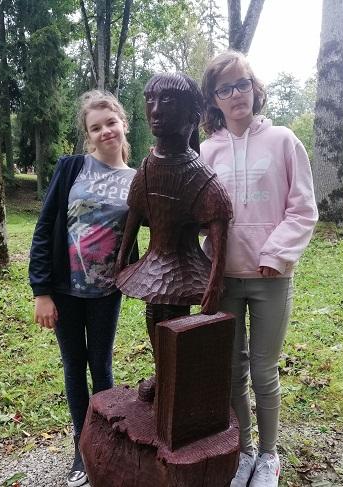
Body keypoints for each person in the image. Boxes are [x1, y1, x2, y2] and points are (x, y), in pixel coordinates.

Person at [200, 51, 318, 487]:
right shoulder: (206, 151)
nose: (236, 94)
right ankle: (244, 451)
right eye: (225, 88)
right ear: (214, 99)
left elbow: (303, 208)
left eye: (243, 83)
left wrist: (276, 254)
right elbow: (200, 216)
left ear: (255, 87)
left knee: (264, 371)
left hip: (272, 277)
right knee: (232, 371)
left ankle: (269, 455)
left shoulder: (284, 141)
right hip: (225, 278)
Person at [29, 90, 137, 487]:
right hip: (65, 290)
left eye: (110, 123)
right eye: (95, 127)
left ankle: (104, 440)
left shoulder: (137, 180)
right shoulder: (72, 168)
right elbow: (45, 228)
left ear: (123, 124)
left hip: (107, 292)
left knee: (101, 366)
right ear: (88, 135)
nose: (105, 131)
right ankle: (82, 446)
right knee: (74, 365)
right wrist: (41, 291)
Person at [114, 73, 232, 399]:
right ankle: (163, 373)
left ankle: (176, 380)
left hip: (184, 264)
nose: (155, 110)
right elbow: (135, 212)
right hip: (155, 261)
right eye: (150, 100)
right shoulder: (148, 166)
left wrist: (214, 282)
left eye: (167, 100)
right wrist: (122, 258)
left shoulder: (200, 176)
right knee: (153, 313)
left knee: (176, 321)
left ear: (192, 116)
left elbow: (220, 223)